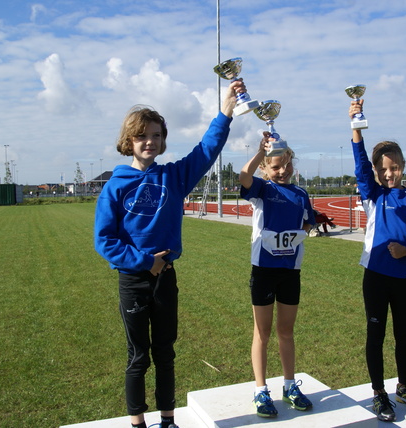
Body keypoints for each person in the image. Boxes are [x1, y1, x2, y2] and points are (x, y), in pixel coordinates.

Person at [94, 79, 247, 428]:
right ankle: (137, 423)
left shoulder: (173, 177)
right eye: (142, 136)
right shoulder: (115, 186)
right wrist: (146, 261)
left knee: (165, 353)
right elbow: (105, 241)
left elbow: (207, 149)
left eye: (157, 135)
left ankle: (167, 420)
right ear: (128, 142)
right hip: (133, 280)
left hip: (166, 278)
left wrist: (226, 110)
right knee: (138, 357)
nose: (151, 141)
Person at [349, 100, 406, 422]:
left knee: (405, 334)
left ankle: (403, 385)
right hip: (375, 277)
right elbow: (360, 166)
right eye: (383, 169)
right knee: (376, 334)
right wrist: (356, 128)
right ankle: (378, 392)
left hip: (404, 280)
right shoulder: (373, 195)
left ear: (403, 166)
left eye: (394, 167)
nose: (389, 173)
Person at [239, 132, 315, 418]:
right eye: (276, 167)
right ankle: (260, 390)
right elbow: (244, 176)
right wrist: (260, 151)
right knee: (263, 332)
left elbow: (309, 223)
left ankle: (289, 385)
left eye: (286, 165)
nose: (283, 171)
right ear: (265, 169)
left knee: (286, 331)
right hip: (264, 271)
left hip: (290, 272)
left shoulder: (301, 194)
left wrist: (298, 235)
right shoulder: (262, 189)